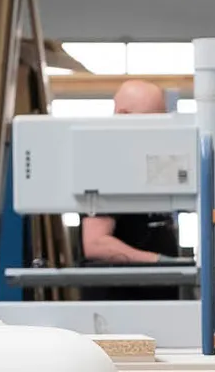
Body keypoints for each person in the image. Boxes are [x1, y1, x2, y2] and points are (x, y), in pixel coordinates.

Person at [78, 77, 184, 266]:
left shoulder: (141, 161)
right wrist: (158, 261)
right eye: (150, 123)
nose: (157, 132)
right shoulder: (104, 165)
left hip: (158, 288)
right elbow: (95, 243)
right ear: (123, 115)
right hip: (123, 291)